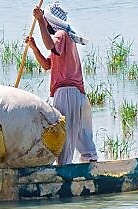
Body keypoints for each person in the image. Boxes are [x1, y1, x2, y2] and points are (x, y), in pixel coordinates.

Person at [25, 2, 99, 164]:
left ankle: (64, 170)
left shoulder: (61, 35)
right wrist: (34, 48)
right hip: (78, 94)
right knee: (81, 133)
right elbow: (47, 65)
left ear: (50, 22)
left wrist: (39, 21)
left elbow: (50, 45)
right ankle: (90, 163)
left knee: (64, 133)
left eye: (46, 21)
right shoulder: (66, 38)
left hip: (66, 92)